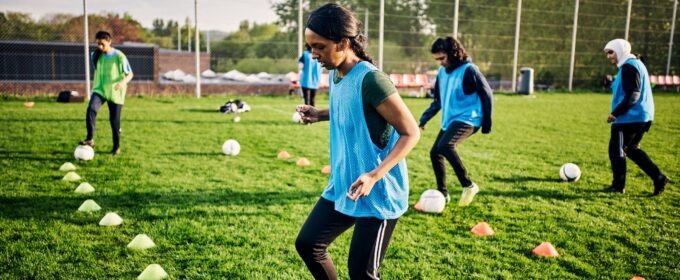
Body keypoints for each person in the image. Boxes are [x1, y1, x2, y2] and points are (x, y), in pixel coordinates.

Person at [294, 4, 420, 279]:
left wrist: (374, 176)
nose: (313, 54)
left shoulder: (372, 80)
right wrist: (320, 114)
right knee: (309, 244)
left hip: (377, 191)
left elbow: (411, 132)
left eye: (320, 46)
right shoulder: (335, 73)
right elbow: (355, 109)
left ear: (343, 43)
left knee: (362, 274)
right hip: (345, 183)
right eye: (310, 46)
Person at [418, 36, 493, 207]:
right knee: (435, 152)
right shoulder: (442, 73)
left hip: (469, 118)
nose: (440, 63)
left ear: (452, 53)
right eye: (437, 59)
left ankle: (469, 185)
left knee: (446, 145)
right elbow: (437, 101)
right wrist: (424, 119)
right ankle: (443, 194)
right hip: (451, 120)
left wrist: (487, 122)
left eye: (442, 58)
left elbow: (486, 94)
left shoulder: (469, 70)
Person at [602, 39, 669, 195]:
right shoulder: (634, 64)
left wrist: (615, 113)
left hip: (629, 117)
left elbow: (633, 94)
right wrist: (611, 83)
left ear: (620, 50)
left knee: (616, 150)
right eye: (607, 53)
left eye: (611, 52)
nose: (609, 56)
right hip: (643, 115)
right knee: (631, 149)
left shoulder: (628, 67)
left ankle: (617, 187)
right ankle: (658, 177)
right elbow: (629, 87)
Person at [79, 31, 133, 156]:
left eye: (102, 44)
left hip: (115, 92)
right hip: (100, 89)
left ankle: (116, 147)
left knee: (114, 122)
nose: (100, 47)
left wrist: (122, 83)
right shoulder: (95, 55)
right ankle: (90, 139)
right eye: (98, 43)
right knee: (91, 109)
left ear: (109, 41)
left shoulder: (119, 56)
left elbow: (130, 74)